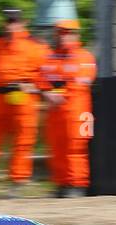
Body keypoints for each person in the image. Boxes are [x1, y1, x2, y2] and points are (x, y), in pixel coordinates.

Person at [0, 7, 47, 198]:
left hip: (23, 97)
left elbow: (47, 72)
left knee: (23, 140)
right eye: (9, 21)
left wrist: (35, 87)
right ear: (5, 23)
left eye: (16, 21)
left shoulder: (36, 46)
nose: (12, 25)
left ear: (23, 23)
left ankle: (17, 183)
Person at [38, 19, 96, 198]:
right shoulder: (50, 57)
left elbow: (83, 82)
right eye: (61, 33)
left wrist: (59, 94)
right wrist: (47, 93)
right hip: (56, 111)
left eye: (68, 33)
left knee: (76, 149)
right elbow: (40, 78)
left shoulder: (85, 57)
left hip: (79, 111)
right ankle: (61, 184)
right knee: (56, 148)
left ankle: (77, 185)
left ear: (76, 35)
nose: (64, 36)